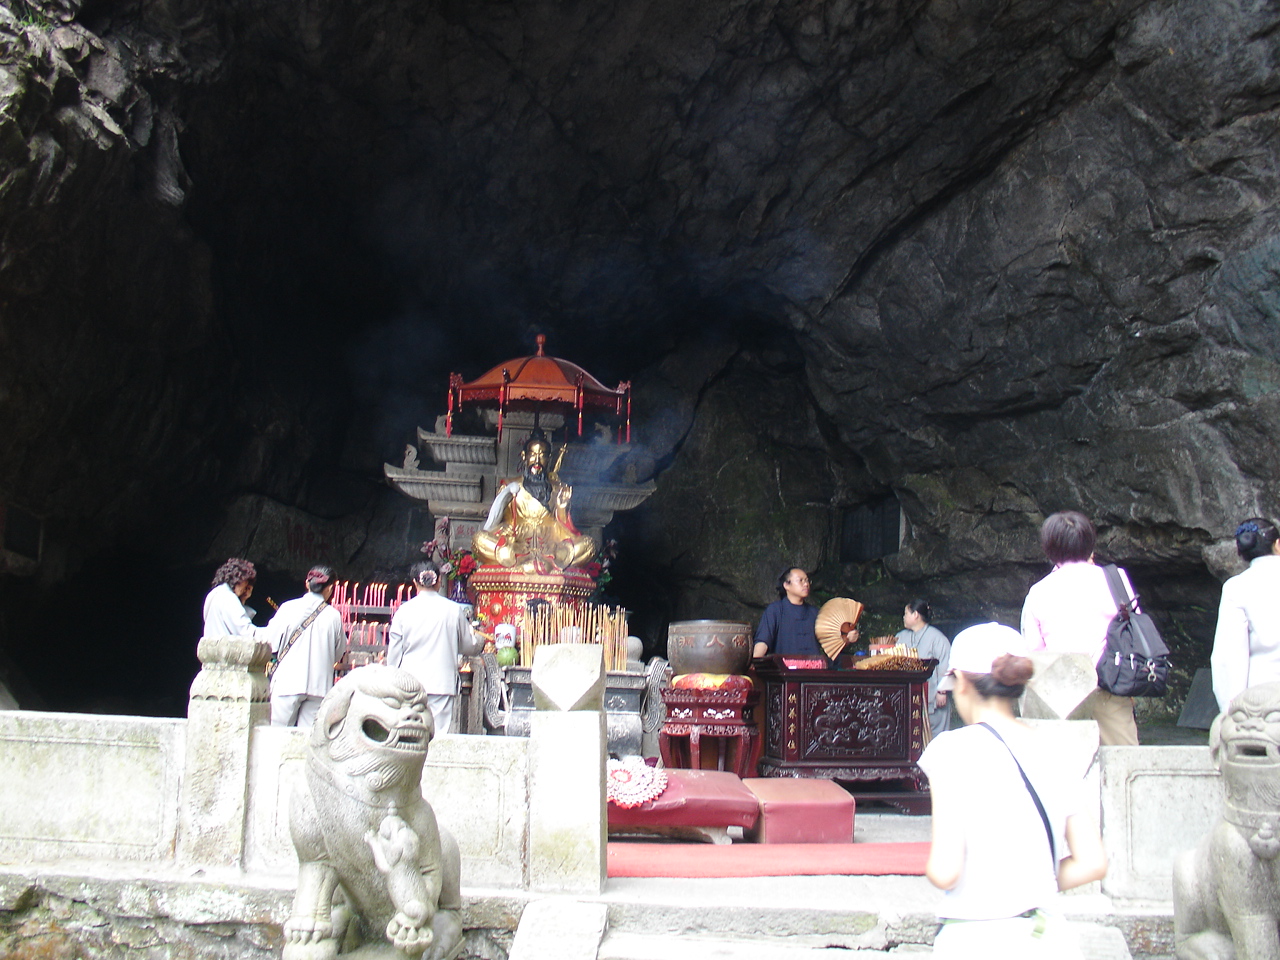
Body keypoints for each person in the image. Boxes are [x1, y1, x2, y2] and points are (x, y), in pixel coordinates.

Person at [919, 622, 1107, 959]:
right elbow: (1092, 862)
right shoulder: (1057, 750)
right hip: (1048, 939)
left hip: (975, 937)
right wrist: (1032, 883)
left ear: (960, 681)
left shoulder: (950, 749)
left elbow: (946, 871)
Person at [1020, 511, 1140, 746]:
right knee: (1124, 758)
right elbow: (1133, 626)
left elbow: (1034, 651)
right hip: (1111, 685)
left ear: (1049, 548)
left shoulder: (1039, 591)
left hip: (1062, 692)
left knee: (1067, 762)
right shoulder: (1116, 578)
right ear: (1090, 544)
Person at [472, 428, 596, 573]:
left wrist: (562, 508)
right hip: (516, 545)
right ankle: (528, 563)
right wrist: (505, 532)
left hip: (552, 545)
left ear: (549, 458)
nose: (537, 460)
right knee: (479, 539)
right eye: (533, 454)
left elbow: (564, 527)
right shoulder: (510, 486)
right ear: (524, 456)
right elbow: (498, 521)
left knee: (588, 544)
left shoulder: (558, 488)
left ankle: (539, 564)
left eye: (542, 455)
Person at [387, 560, 483, 736]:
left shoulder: (404, 611)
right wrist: (475, 637)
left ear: (415, 582)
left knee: (409, 732)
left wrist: (392, 680)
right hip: (441, 682)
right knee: (438, 734)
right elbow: (468, 646)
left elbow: (394, 654)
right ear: (439, 581)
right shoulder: (453, 610)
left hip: (410, 683)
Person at [1211, 517, 1280, 711]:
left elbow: (1229, 656)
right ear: (1278, 544)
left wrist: (1231, 709)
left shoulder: (1236, 588)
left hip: (1262, 702)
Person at [266, 565, 346, 728]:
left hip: (287, 683)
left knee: (277, 734)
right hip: (319, 687)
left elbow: (270, 642)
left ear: (307, 583)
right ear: (330, 588)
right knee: (308, 737)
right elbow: (338, 653)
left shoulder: (287, 608)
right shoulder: (333, 616)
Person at [752, 567, 859, 659]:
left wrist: (847, 639)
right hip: (785, 672)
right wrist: (753, 662)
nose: (806, 584)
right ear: (786, 585)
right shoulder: (775, 610)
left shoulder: (815, 613)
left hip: (813, 671)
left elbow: (830, 643)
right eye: (800, 580)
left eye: (807, 581)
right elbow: (763, 641)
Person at [897, 598, 952, 739]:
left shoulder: (937, 638)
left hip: (933, 697)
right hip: (909, 697)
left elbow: (945, 664)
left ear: (915, 615)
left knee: (937, 737)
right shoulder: (900, 637)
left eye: (906, 613)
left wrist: (942, 691)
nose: (903, 617)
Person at [202, 558, 263, 641]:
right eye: (246, 583)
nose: (245, 588)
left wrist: (243, 599)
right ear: (238, 579)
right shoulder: (228, 597)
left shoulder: (214, 594)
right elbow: (245, 632)